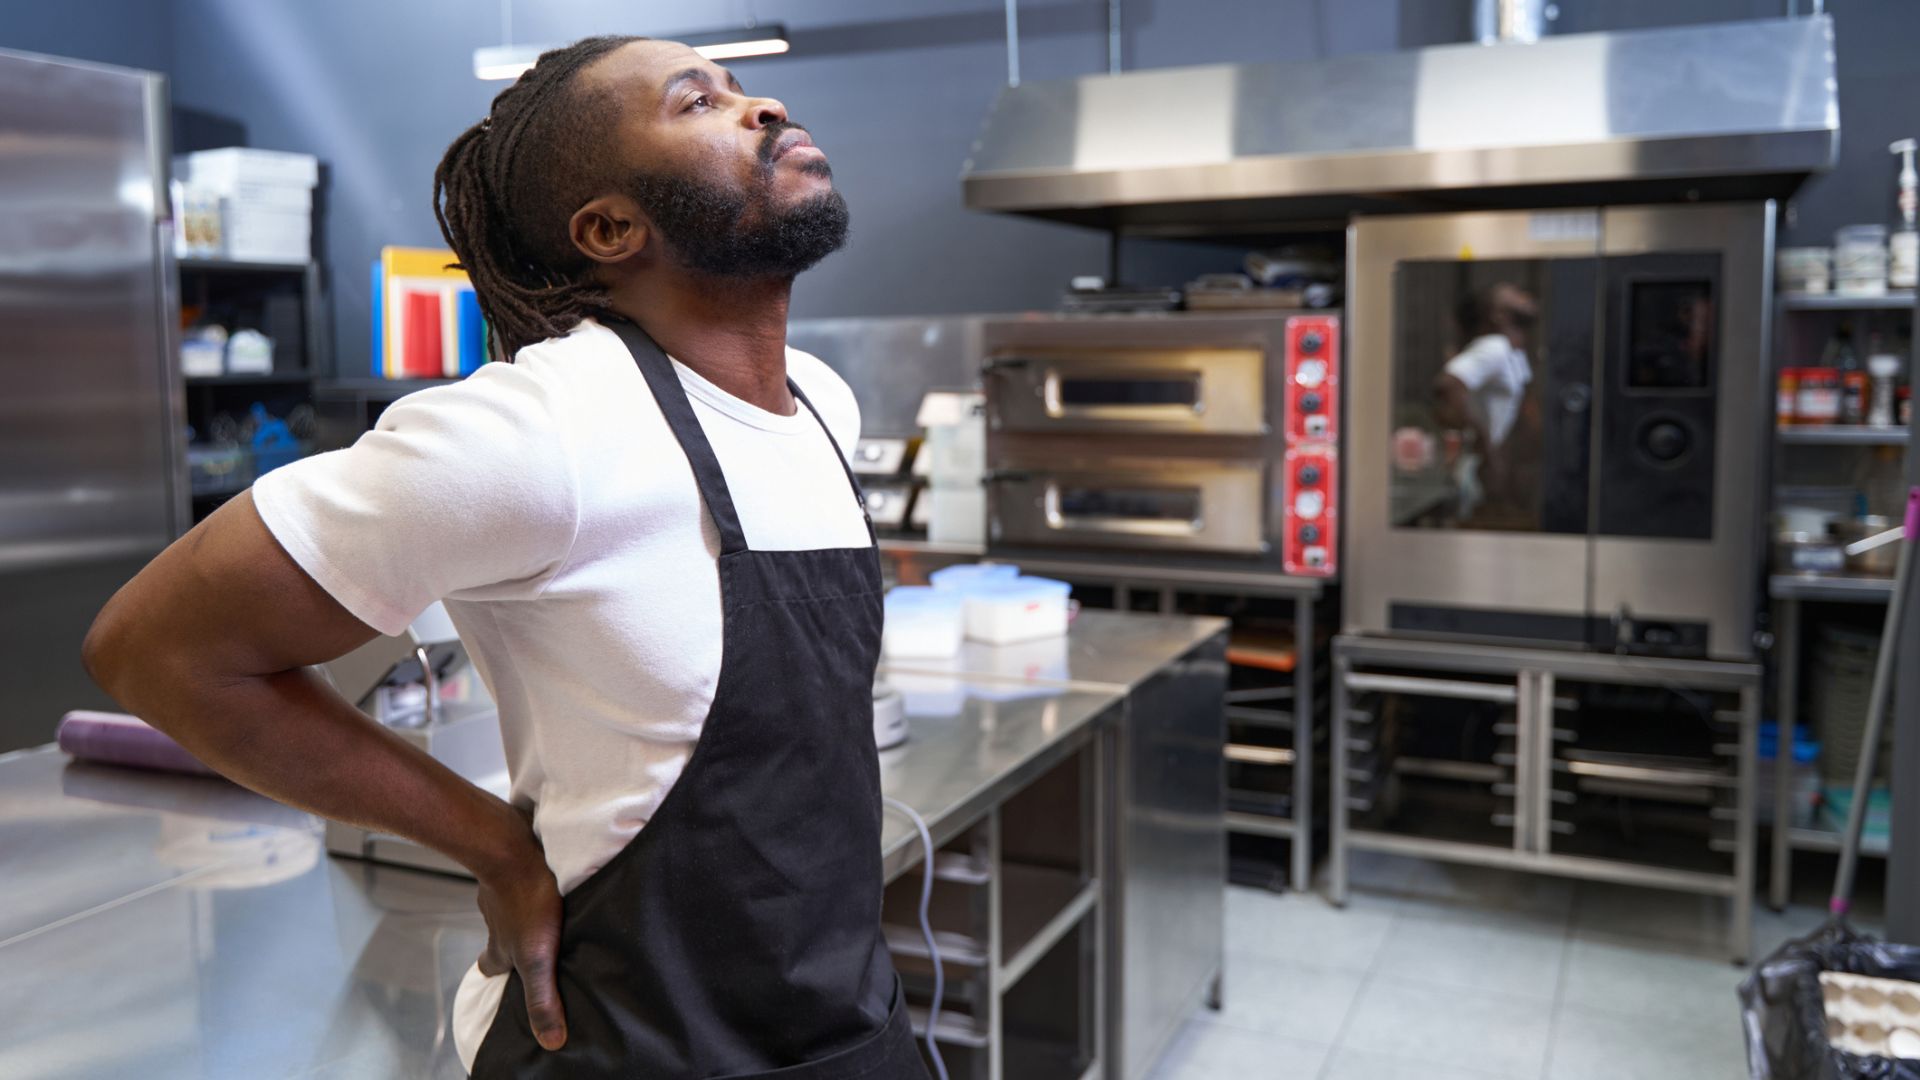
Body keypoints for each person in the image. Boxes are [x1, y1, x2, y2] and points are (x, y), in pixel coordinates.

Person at [83, 36, 927, 1079]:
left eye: (744, 87)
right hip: (625, 1040)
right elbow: (158, 649)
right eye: (698, 101)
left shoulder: (821, 404)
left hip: (844, 1028)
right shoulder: (541, 429)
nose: (761, 108)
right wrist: (493, 846)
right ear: (612, 228)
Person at [1431, 281, 1540, 519]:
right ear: (1497, 314)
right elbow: (1448, 384)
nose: (1524, 295)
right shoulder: (1495, 347)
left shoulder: (1514, 351)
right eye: (1514, 294)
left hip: (1502, 471)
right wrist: (1483, 440)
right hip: (1481, 474)